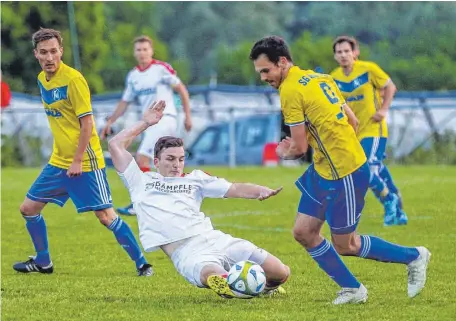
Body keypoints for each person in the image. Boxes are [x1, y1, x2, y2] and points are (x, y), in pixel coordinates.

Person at [249, 36, 430, 304]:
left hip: (344, 172)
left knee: (347, 245)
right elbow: (353, 121)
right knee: (303, 232)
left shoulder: (289, 91)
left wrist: (282, 151)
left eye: (266, 70)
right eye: (260, 72)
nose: (264, 77)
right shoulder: (319, 78)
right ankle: (353, 289)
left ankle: (414, 256)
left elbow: (297, 149)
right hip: (325, 168)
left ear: (283, 62)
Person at [108, 100, 290, 299]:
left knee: (281, 272)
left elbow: (234, 188)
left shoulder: (196, 179)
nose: (177, 164)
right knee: (210, 273)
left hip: (215, 239)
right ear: (157, 162)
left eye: (180, 159)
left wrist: (259, 191)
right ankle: (229, 283)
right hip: (186, 251)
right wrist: (145, 123)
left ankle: (258, 286)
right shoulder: (140, 180)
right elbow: (115, 144)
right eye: (170, 159)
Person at [13, 28, 153, 276]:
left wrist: (77, 160)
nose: (49, 58)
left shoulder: (74, 80)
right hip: (58, 162)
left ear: (61, 51)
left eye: (54, 51)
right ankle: (43, 262)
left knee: (106, 216)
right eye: (43, 52)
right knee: (28, 208)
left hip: (85, 162)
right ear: (36, 54)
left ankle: (142, 263)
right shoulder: (41, 79)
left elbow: (87, 123)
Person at [100, 35, 192, 216]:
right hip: (149, 122)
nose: (142, 53)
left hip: (166, 119)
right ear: (134, 53)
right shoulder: (133, 76)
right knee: (164, 163)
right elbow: (124, 102)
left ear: (151, 51)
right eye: (138, 50)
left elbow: (181, 89)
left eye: (145, 49)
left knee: (142, 157)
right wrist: (110, 121)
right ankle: (180, 197)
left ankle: (141, 204)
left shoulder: (161, 69)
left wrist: (188, 116)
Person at [330, 36, 407, 226]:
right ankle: (397, 209)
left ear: (355, 53)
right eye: (339, 52)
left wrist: (383, 110)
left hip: (373, 128)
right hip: (353, 133)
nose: (343, 55)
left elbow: (390, 87)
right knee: (376, 168)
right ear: (335, 56)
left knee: (366, 168)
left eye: (347, 51)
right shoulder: (333, 77)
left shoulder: (368, 69)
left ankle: (389, 201)